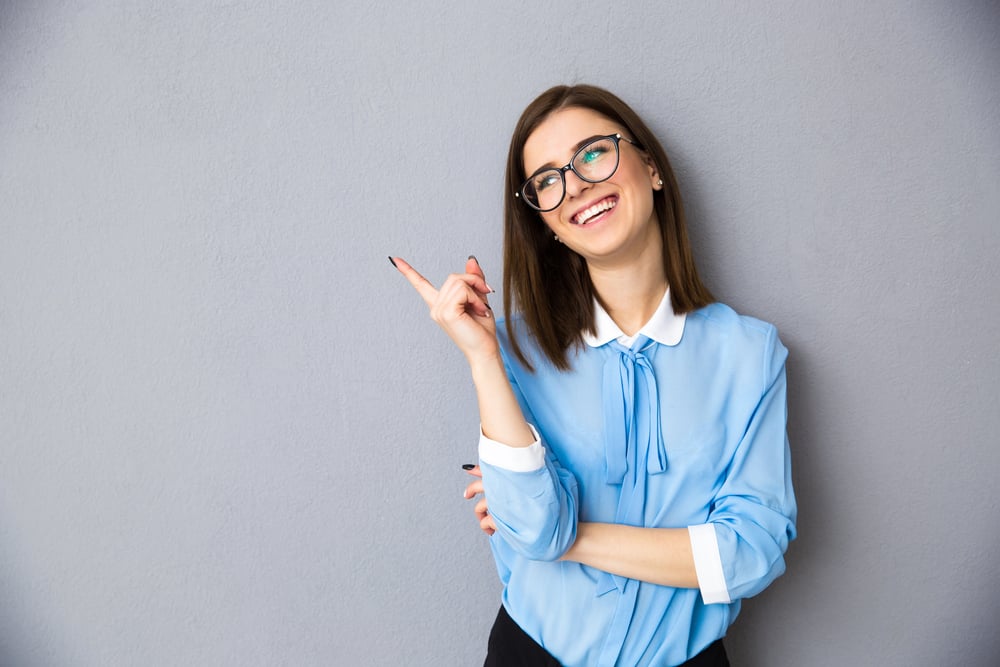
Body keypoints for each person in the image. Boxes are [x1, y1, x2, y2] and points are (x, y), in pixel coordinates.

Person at [390, 84, 796, 667]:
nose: (575, 185)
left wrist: (567, 535)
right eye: (548, 180)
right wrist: (481, 356)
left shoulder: (750, 355)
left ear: (651, 167)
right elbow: (529, 528)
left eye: (592, 154)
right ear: (549, 223)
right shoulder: (511, 351)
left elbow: (752, 553)